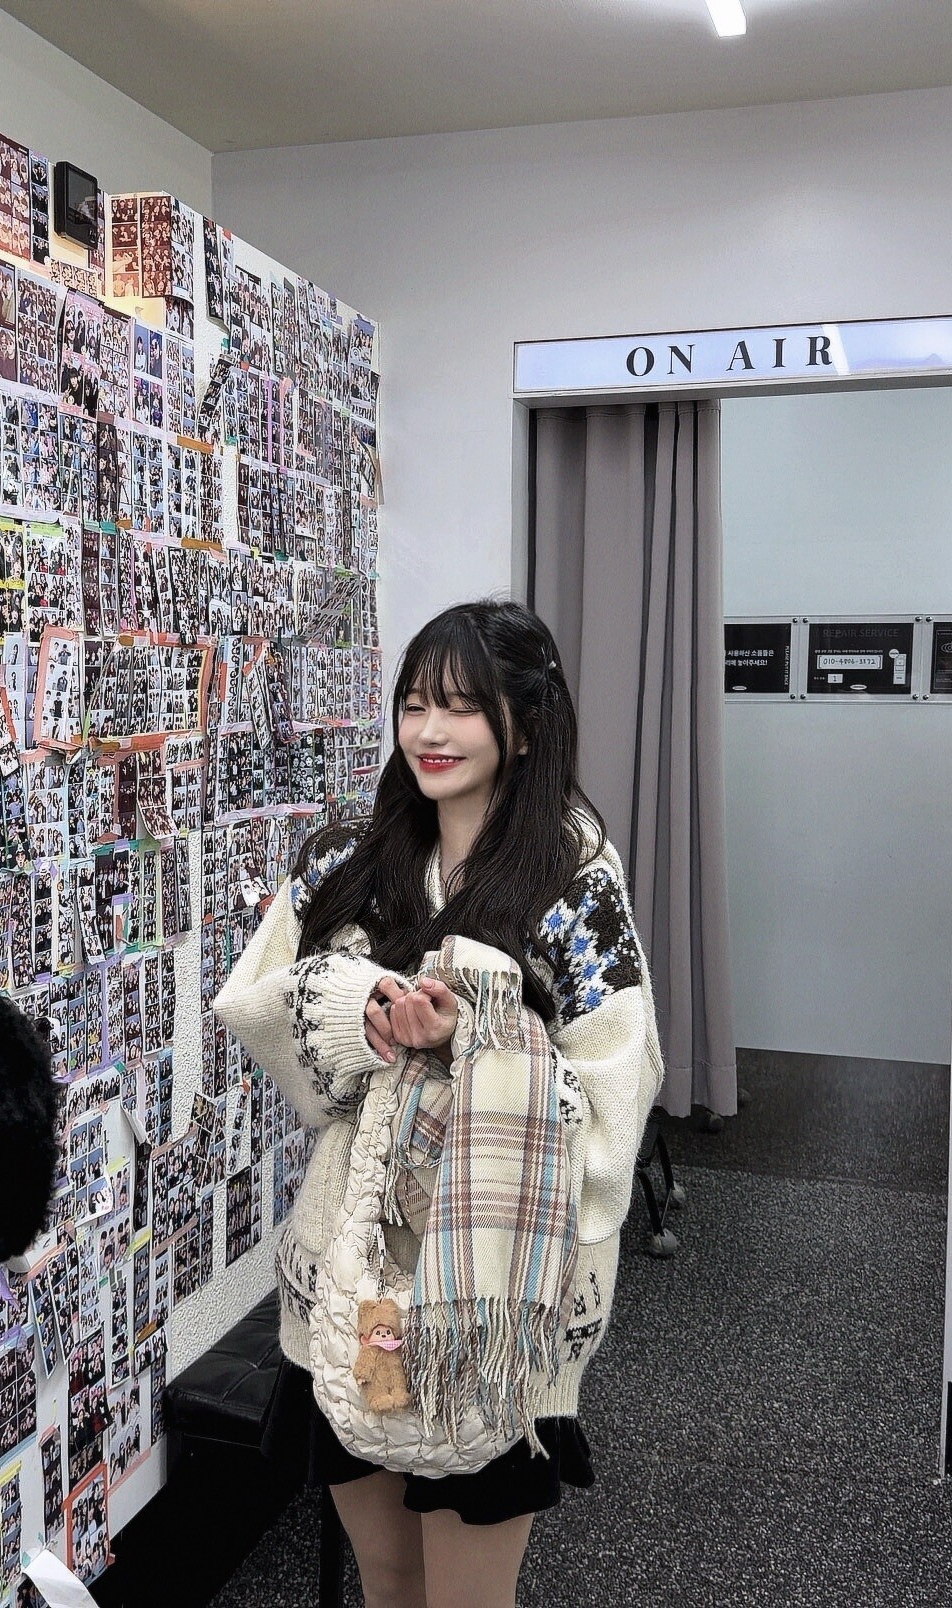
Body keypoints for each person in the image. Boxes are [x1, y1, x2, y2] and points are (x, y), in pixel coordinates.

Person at [214, 599, 665, 1608]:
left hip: (489, 1288)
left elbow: (616, 1086)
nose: (429, 731)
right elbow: (257, 1005)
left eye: (461, 706)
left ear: (526, 726)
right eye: (415, 702)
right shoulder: (347, 860)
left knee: (467, 1593)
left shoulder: (572, 882)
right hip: (362, 1282)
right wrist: (359, 1014)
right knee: (388, 1576)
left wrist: (478, 1038)